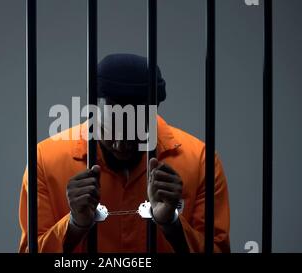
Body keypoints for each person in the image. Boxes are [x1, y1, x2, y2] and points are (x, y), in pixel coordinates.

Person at [19, 53, 230, 253]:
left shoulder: (200, 161)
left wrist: (171, 223)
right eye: (108, 130)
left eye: (136, 132)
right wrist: (75, 225)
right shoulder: (45, 160)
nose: (120, 145)